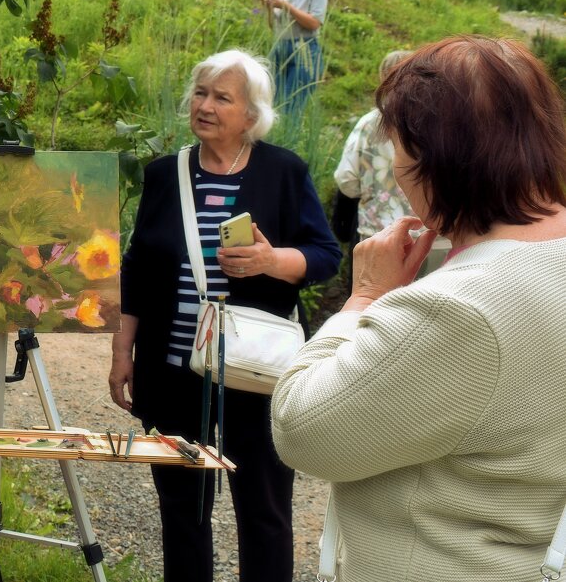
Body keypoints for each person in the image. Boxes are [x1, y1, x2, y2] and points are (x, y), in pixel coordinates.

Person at [272, 36, 566, 581]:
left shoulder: (461, 310)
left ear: (434, 159)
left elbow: (302, 430)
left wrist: (362, 298)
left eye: (400, 147)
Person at [109, 49, 341, 582]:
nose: (206, 105)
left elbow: (325, 255)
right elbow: (138, 269)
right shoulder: (166, 175)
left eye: (222, 97)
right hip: (171, 371)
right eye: (200, 93)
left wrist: (271, 260)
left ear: (251, 116)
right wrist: (123, 352)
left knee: (263, 507)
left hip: (255, 373)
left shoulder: (284, 171)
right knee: (182, 509)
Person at [333, 50, 449, 279]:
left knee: (374, 304)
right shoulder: (444, 121)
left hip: (379, 236)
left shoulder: (371, 123)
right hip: (436, 236)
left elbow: (346, 181)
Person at [261, 0, 327, 114]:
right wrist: (270, 9)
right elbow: (276, 27)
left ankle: (287, 139)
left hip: (303, 49)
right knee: (269, 102)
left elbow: (314, 23)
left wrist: (286, 6)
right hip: (280, 48)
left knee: (291, 105)